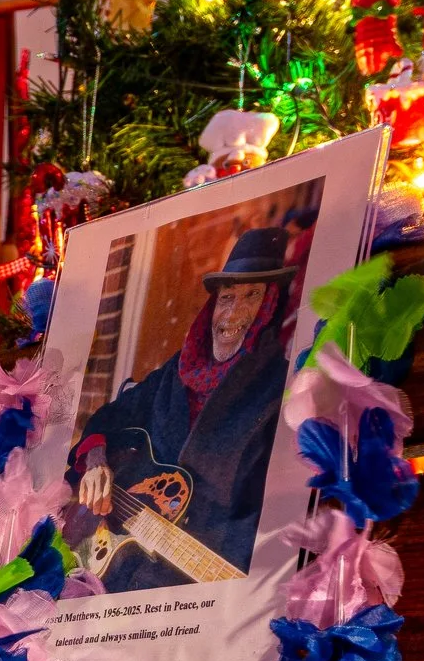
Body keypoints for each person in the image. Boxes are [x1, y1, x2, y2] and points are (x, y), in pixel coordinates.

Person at [69, 224, 300, 593]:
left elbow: (267, 518)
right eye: (226, 297)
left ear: (269, 307)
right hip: (112, 557)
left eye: (251, 296)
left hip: (184, 587)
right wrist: (96, 463)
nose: (232, 313)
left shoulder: (277, 393)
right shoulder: (178, 371)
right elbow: (109, 418)